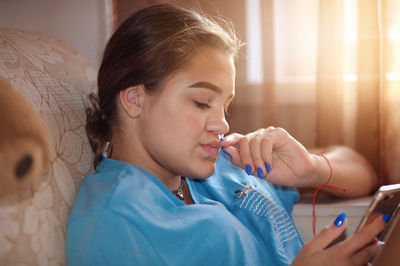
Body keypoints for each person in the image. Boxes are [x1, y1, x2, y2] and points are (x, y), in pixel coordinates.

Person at [66, 4, 387, 266]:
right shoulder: (113, 221)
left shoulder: (224, 162)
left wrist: (309, 170)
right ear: (135, 99)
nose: (221, 124)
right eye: (202, 102)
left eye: (226, 107)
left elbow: (362, 172)